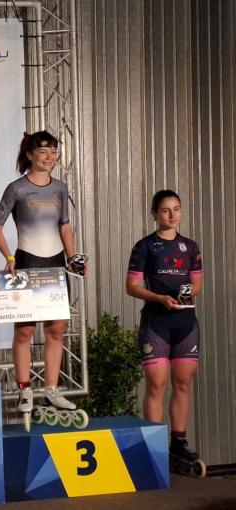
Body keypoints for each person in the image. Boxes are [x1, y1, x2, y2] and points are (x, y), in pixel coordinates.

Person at [0, 131, 85, 416]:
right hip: (27, 261)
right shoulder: (17, 188)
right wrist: (9, 257)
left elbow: (64, 225)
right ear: (30, 154)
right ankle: (25, 390)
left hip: (56, 264)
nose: (49, 157)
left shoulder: (60, 188)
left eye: (54, 151)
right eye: (43, 151)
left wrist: (73, 258)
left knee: (56, 329)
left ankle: (51, 389)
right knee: (25, 331)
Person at [126, 189, 203, 467]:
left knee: (183, 383)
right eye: (165, 210)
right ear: (154, 214)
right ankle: (153, 445)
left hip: (185, 324)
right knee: (157, 384)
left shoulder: (190, 247)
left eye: (176, 209)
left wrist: (187, 293)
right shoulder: (144, 246)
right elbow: (132, 286)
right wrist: (160, 298)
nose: (172, 215)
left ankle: (178, 442)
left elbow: (197, 284)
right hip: (156, 323)